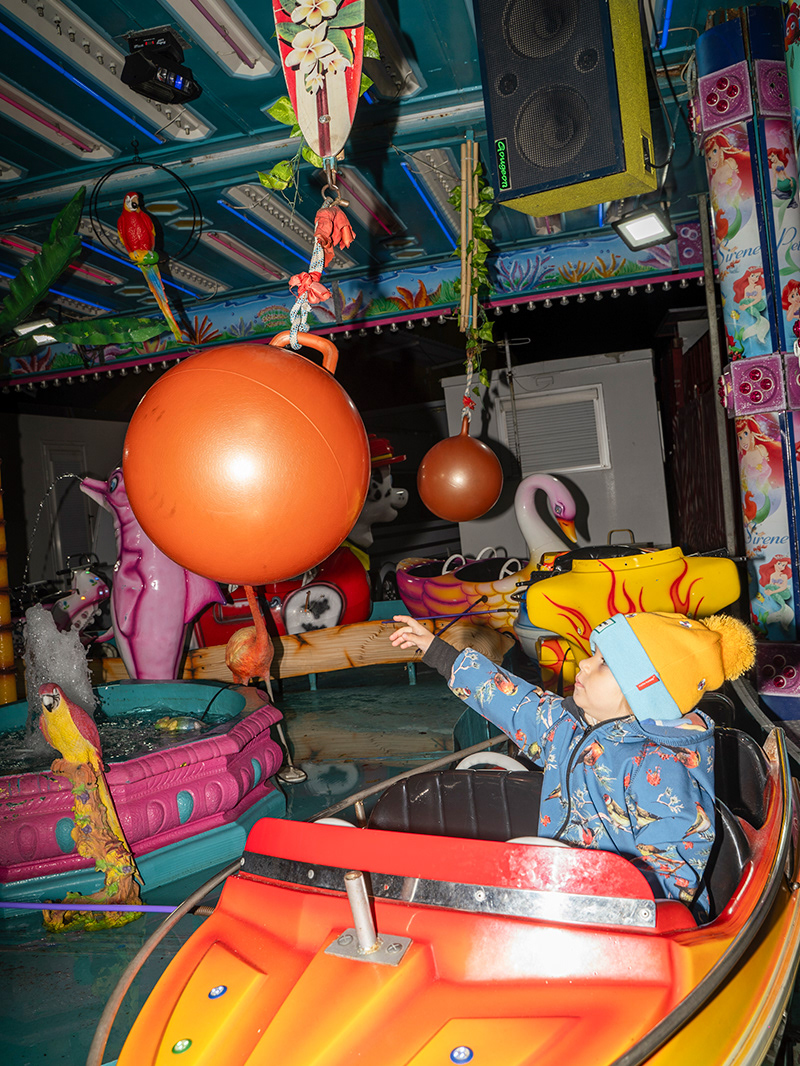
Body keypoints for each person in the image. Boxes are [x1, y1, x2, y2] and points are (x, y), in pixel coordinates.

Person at [390, 610, 756, 920]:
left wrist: (594, 904)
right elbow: (513, 701)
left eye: (603, 663)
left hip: (630, 919)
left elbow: (672, 876)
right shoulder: (571, 726)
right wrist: (440, 653)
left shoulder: (660, 769)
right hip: (566, 893)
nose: (584, 662)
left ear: (644, 693)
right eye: (593, 655)